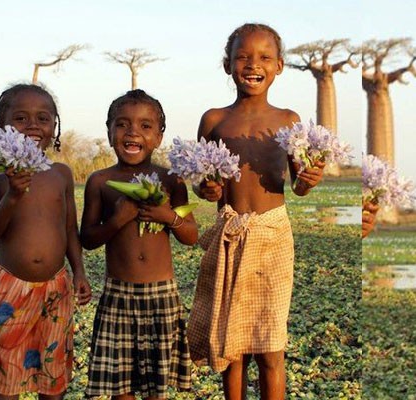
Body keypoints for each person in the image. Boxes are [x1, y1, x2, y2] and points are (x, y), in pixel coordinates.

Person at [186, 24, 325, 400]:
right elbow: (203, 182)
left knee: (270, 345)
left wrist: (310, 179)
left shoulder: (289, 120)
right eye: (243, 57)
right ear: (227, 64)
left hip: (273, 237)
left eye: (264, 57)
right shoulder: (213, 120)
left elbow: (298, 184)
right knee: (233, 347)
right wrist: (207, 188)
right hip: (230, 237)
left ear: (279, 66)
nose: (253, 64)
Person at [0, 83, 92, 400]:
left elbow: (69, 228)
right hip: (11, 289)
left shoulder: (61, 174)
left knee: (52, 377)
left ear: (55, 127)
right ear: (0, 125)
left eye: (43, 118)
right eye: (21, 118)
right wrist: (13, 195)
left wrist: (79, 272)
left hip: (56, 288)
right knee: (8, 377)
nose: (33, 126)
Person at [80, 89, 198, 399]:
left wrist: (167, 215)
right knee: (121, 388)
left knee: (155, 389)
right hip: (118, 295)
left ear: (159, 137)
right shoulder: (100, 181)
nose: (133, 132)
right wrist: (118, 219)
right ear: (109, 132)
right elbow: (88, 238)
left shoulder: (172, 180)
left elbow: (191, 235)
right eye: (122, 124)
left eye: (145, 126)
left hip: (161, 296)